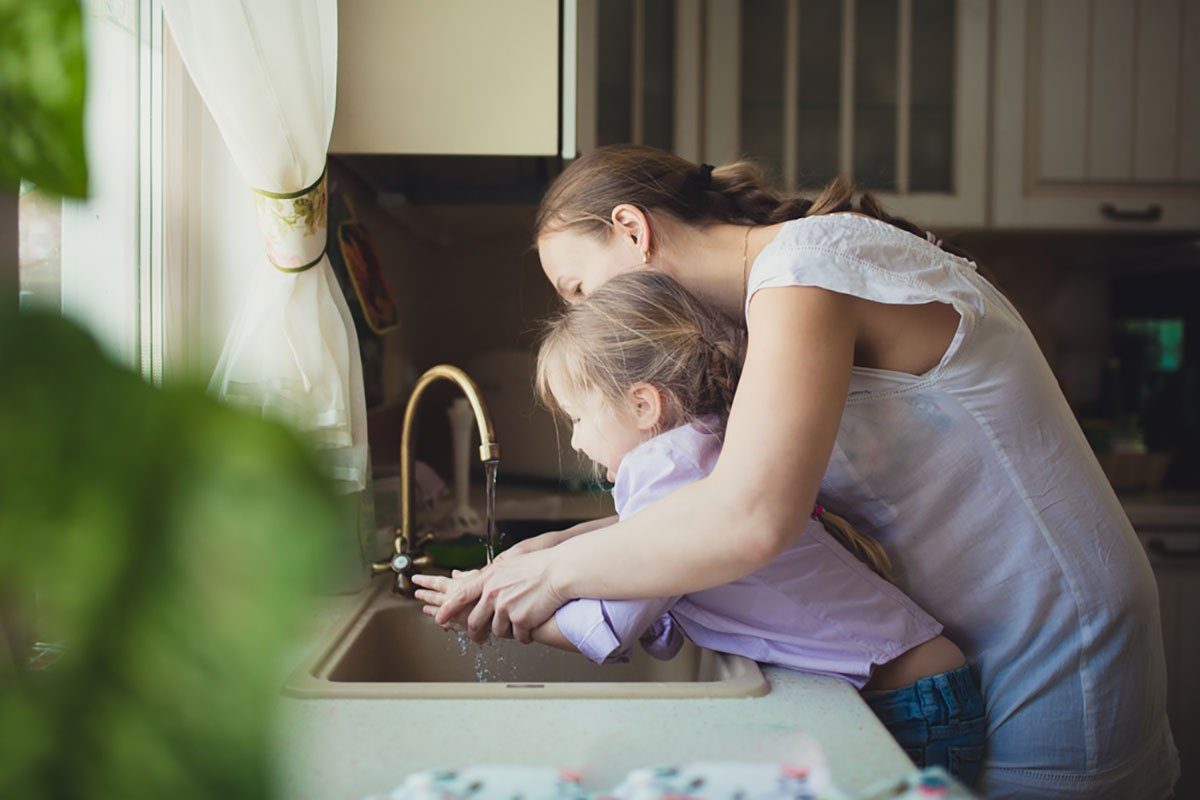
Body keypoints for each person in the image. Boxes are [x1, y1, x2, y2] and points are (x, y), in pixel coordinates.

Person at [420, 145, 1178, 798]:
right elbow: (715, 498)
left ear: (632, 229)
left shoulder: (803, 271)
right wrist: (545, 552)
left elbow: (750, 518)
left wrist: (556, 578)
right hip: (984, 637)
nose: (587, 321)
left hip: (1056, 636)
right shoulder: (763, 309)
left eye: (580, 290)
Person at [415, 270, 986, 786]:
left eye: (579, 417)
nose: (577, 441)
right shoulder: (701, 448)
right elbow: (633, 555)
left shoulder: (665, 473)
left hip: (908, 704)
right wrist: (540, 553)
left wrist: (488, 609)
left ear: (644, 406)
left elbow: (608, 622)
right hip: (917, 687)